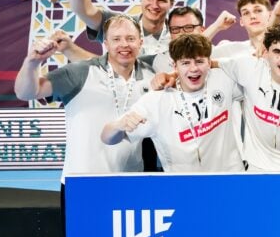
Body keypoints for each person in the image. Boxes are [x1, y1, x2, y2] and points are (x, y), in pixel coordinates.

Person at [15, 18, 154, 182]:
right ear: (106, 43)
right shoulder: (81, 72)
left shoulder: (151, 77)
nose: (124, 44)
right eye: (116, 39)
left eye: (130, 38)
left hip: (132, 181)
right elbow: (27, 93)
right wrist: (32, 63)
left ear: (140, 42)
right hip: (81, 181)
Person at [101, 33, 244, 172]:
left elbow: (251, 69)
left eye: (199, 61)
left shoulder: (223, 79)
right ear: (174, 65)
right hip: (182, 187)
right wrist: (118, 125)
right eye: (185, 63)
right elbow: (107, 138)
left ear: (209, 62)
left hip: (230, 180)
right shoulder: (157, 101)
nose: (194, 69)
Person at [217, 24, 280, 172]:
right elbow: (208, 64)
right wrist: (175, 75)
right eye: (277, 52)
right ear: (265, 52)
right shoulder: (249, 68)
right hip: (257, 166)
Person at [67, 0, 175, 55]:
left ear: (171, 3)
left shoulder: (180, 32)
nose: (154, 5)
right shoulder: (118, 23)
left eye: (161, 0)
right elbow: (85, 11)